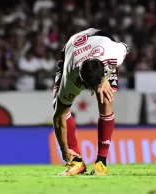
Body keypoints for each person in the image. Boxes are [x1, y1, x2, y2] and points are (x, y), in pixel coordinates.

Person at [53, 28, 128, 176]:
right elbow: (59, 116)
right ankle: (76, 162)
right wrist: (64, 150)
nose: (94, 92)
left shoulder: (113, 55)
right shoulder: (71, 79)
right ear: (83, 83)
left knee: (106, 98)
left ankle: (101, 162)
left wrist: (105, 79)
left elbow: (125, 47)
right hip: (71, 48)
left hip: (101, 39)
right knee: (60, 106)